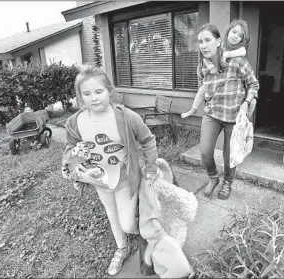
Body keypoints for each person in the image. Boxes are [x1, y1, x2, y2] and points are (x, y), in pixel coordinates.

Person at [61, 64, 158, 276]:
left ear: (109, 91)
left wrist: (151, 167)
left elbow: (148, 140)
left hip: (125, 178)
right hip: (100, 181)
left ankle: (152, 234)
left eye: (99, 91)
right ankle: (122, 248)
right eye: (87, 94)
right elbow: (71, 148)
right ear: (80, 96)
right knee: (111, 214)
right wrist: (76, 164)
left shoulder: (126, 116)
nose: (94, 98)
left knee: (127, 224)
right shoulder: (76, 122)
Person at [190, 23, 259, 200]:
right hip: (212, 115)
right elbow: (204, 89)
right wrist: (195, 106)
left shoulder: (238, 61)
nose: (203, 45)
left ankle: (227, 182)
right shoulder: (202, 66)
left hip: (233, 118)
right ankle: (213, 178)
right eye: (200, 42)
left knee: (230, 157)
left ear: (218, 41)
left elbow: (253, 84)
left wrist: (247, 102)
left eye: (207, 40)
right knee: (205, 153)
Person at [181, 19, 255, 119]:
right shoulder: (221, 45)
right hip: (216, 90)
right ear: (228, 31)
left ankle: (247, 112)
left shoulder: (240, 52)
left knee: (249, 97)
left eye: (240, 35)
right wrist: (209, 66)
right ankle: (193, 109)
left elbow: (242, 54)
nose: (236, 36)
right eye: (234, 32)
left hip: (237, 91)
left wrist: (226, 55)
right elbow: (207, 55)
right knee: (202, 90)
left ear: (243, 39)